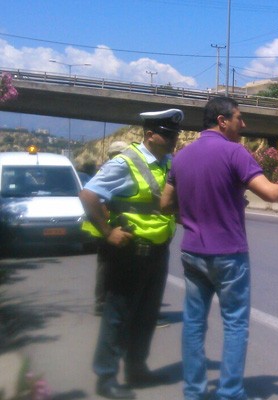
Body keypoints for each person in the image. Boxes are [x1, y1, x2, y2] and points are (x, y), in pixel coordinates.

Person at [160, 97, 278, 400]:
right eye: (238, 118)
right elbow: (270, 193)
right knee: (235, 325)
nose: (242, 124)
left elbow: (166, 203)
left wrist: (193, 216)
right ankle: (230, 393)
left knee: (193, 324)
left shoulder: (180, 157)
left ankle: (193, 392)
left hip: (193, 252)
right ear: (222, 120)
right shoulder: (235, 153)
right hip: (228, 255)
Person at [80, 109, 183, 399]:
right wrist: (107, 231)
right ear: (149, 135)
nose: (173, 139)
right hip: (129, 252)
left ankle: (136, 369)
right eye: (167, 134)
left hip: (158, 251)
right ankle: (106, 376)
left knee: (146, 315)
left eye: (175, 134)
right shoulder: (126, 163)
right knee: (118, 314)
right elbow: (88, 195)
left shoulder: (168, 164)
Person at [92, 140, 129, 316]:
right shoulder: (110, 172)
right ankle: (102, 302)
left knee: (109, 266)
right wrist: (108, 227)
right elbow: (100, 201)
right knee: (107, 266)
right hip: (106, 227)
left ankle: (109, 300)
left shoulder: (111, 170)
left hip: (108, 226)